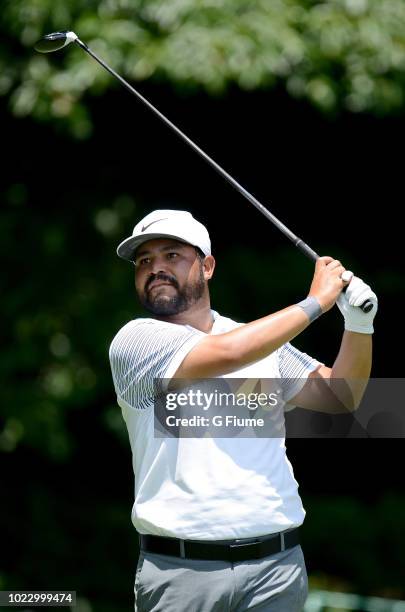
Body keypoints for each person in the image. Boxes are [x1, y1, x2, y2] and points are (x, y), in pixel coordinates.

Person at [109, 209, 377, 612]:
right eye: (144, 261)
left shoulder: (256, 341)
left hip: (277, 569)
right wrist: (315, 303)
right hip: (182, 574)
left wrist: (359, 324)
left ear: (208, 265)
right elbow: (228, 353)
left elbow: (342, 396)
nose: (156, 268)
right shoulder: (135, 342)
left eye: (171, 256)